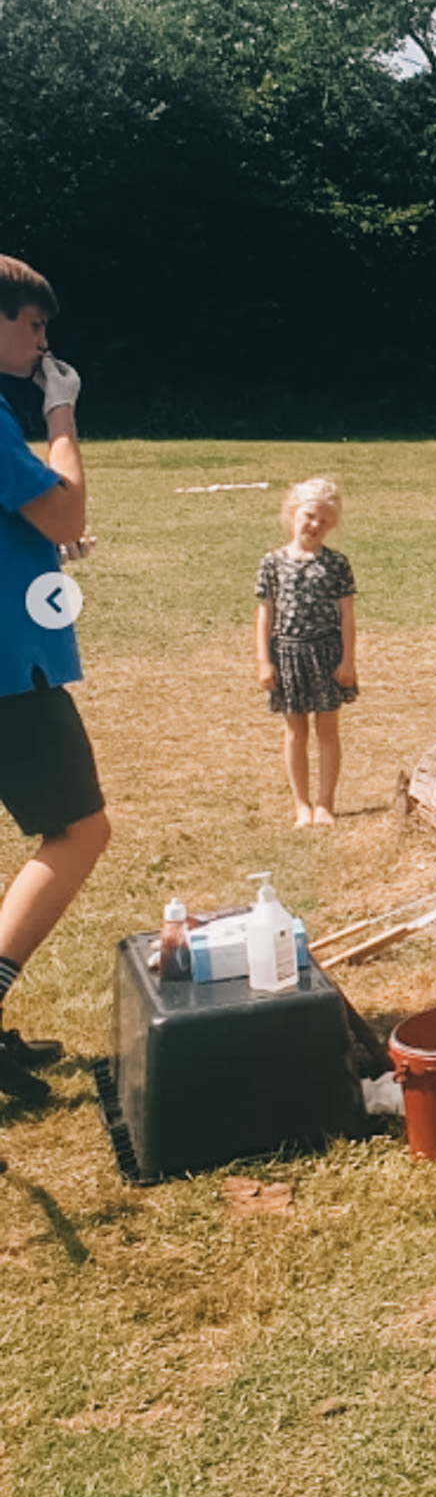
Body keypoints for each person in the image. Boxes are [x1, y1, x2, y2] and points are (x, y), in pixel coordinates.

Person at [0, 255, 111, 1105]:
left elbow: (39, 523)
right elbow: (66, 508)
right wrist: (62, 411)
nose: (43, 345)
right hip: (10, 670)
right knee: (79, 830)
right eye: (34, 325)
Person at [254, 476, 359, 826]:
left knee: (327, 731)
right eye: (310, 516)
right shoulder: (272, 562)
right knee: (295, 732)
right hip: (287, 654)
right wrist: (264, 661)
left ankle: (325, 804)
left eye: (325, 521)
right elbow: (265, 613)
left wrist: (347, 660)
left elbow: (347, 615)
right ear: (292, 513)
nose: (315, 525)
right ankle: (301, 805)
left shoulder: (336, 564)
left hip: (326, 654)